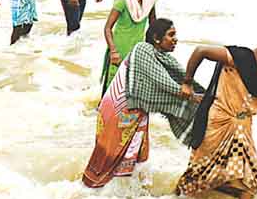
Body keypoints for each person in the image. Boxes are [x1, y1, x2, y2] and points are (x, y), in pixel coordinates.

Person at [175, 26, 257, 199]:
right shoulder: (239, 56)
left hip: (243, 129)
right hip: (217, 124)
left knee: (251, 178)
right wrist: (187, 82)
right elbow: (201, 51)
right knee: (200, 173)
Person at [82, 19, 205, 188]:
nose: (175, 39)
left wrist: (203, 95)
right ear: (156, 38)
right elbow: (162, 81)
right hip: (119, 110)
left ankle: (126, 197)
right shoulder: (143, 49)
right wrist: (189, 95)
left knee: (135, 156)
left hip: (137, 112)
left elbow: (180, 79)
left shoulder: (163, 58)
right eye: (171, 35)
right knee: (109, 158)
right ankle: (94, 192)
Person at [100, 0, 157, 95]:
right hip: (119, 51)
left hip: (137, 51)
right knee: (110, 92)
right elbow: (107, 28)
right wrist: (113, 51)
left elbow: (153, 27)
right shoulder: (122, 0)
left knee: (131, 91)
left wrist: (154, 50)